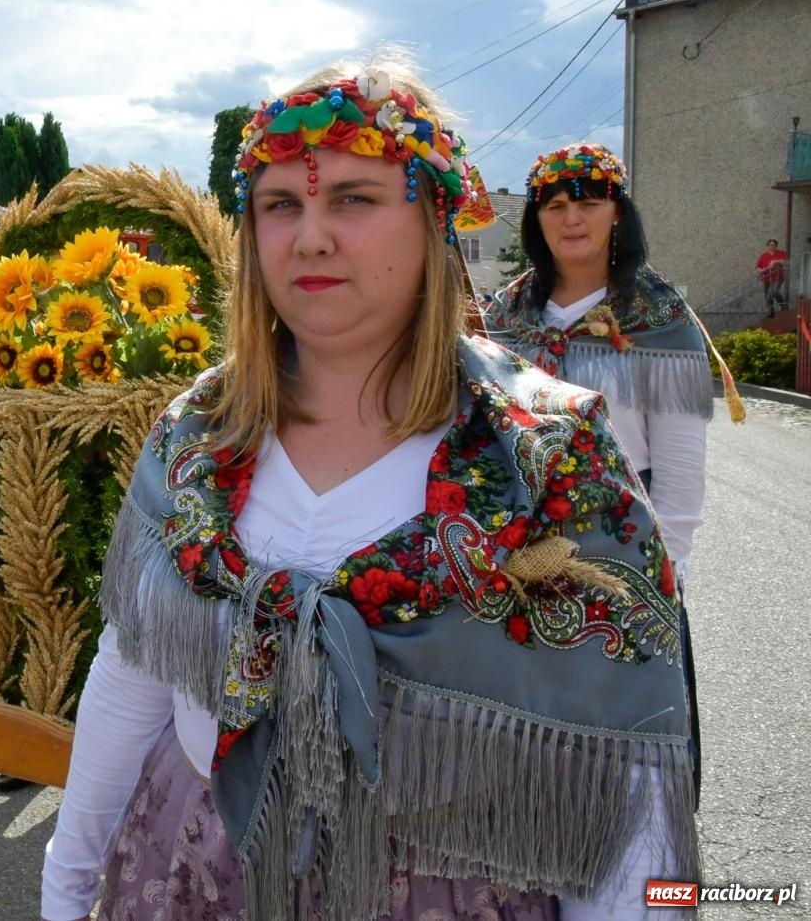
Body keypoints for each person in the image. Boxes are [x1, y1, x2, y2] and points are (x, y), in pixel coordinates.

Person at [42, 62, 698, 921]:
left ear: (431, 222)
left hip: (454, 885)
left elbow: (620, 774)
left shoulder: (547, 456)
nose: (310, 236)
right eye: (280, 204)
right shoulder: (197, 435)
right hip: (197, 864)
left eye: (352, 198)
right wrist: (64, 888)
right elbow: (132, 674)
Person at [483, 145, 717, 587]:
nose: (572, 219)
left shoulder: (659, 320)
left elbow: (680, 467)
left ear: (616, 213)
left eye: (589, 203)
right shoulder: (502, 319)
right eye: (556, 206)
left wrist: (667, 564)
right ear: (537, 219)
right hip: (514, 550)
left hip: (625, 547)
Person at [757, 238, 790, 315]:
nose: (771, 246)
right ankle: (771, 312)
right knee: (767, 295)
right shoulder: (763, 255)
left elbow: (786, 261)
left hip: (777, 277)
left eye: (773, 245)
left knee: (774, 292)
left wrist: (774, 261)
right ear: (767, 246)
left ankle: (783, 305)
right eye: (770, 245)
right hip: (766, 277)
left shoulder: (781, 253)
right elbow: (758, 267)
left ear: (776, 246)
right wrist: (761, 270)